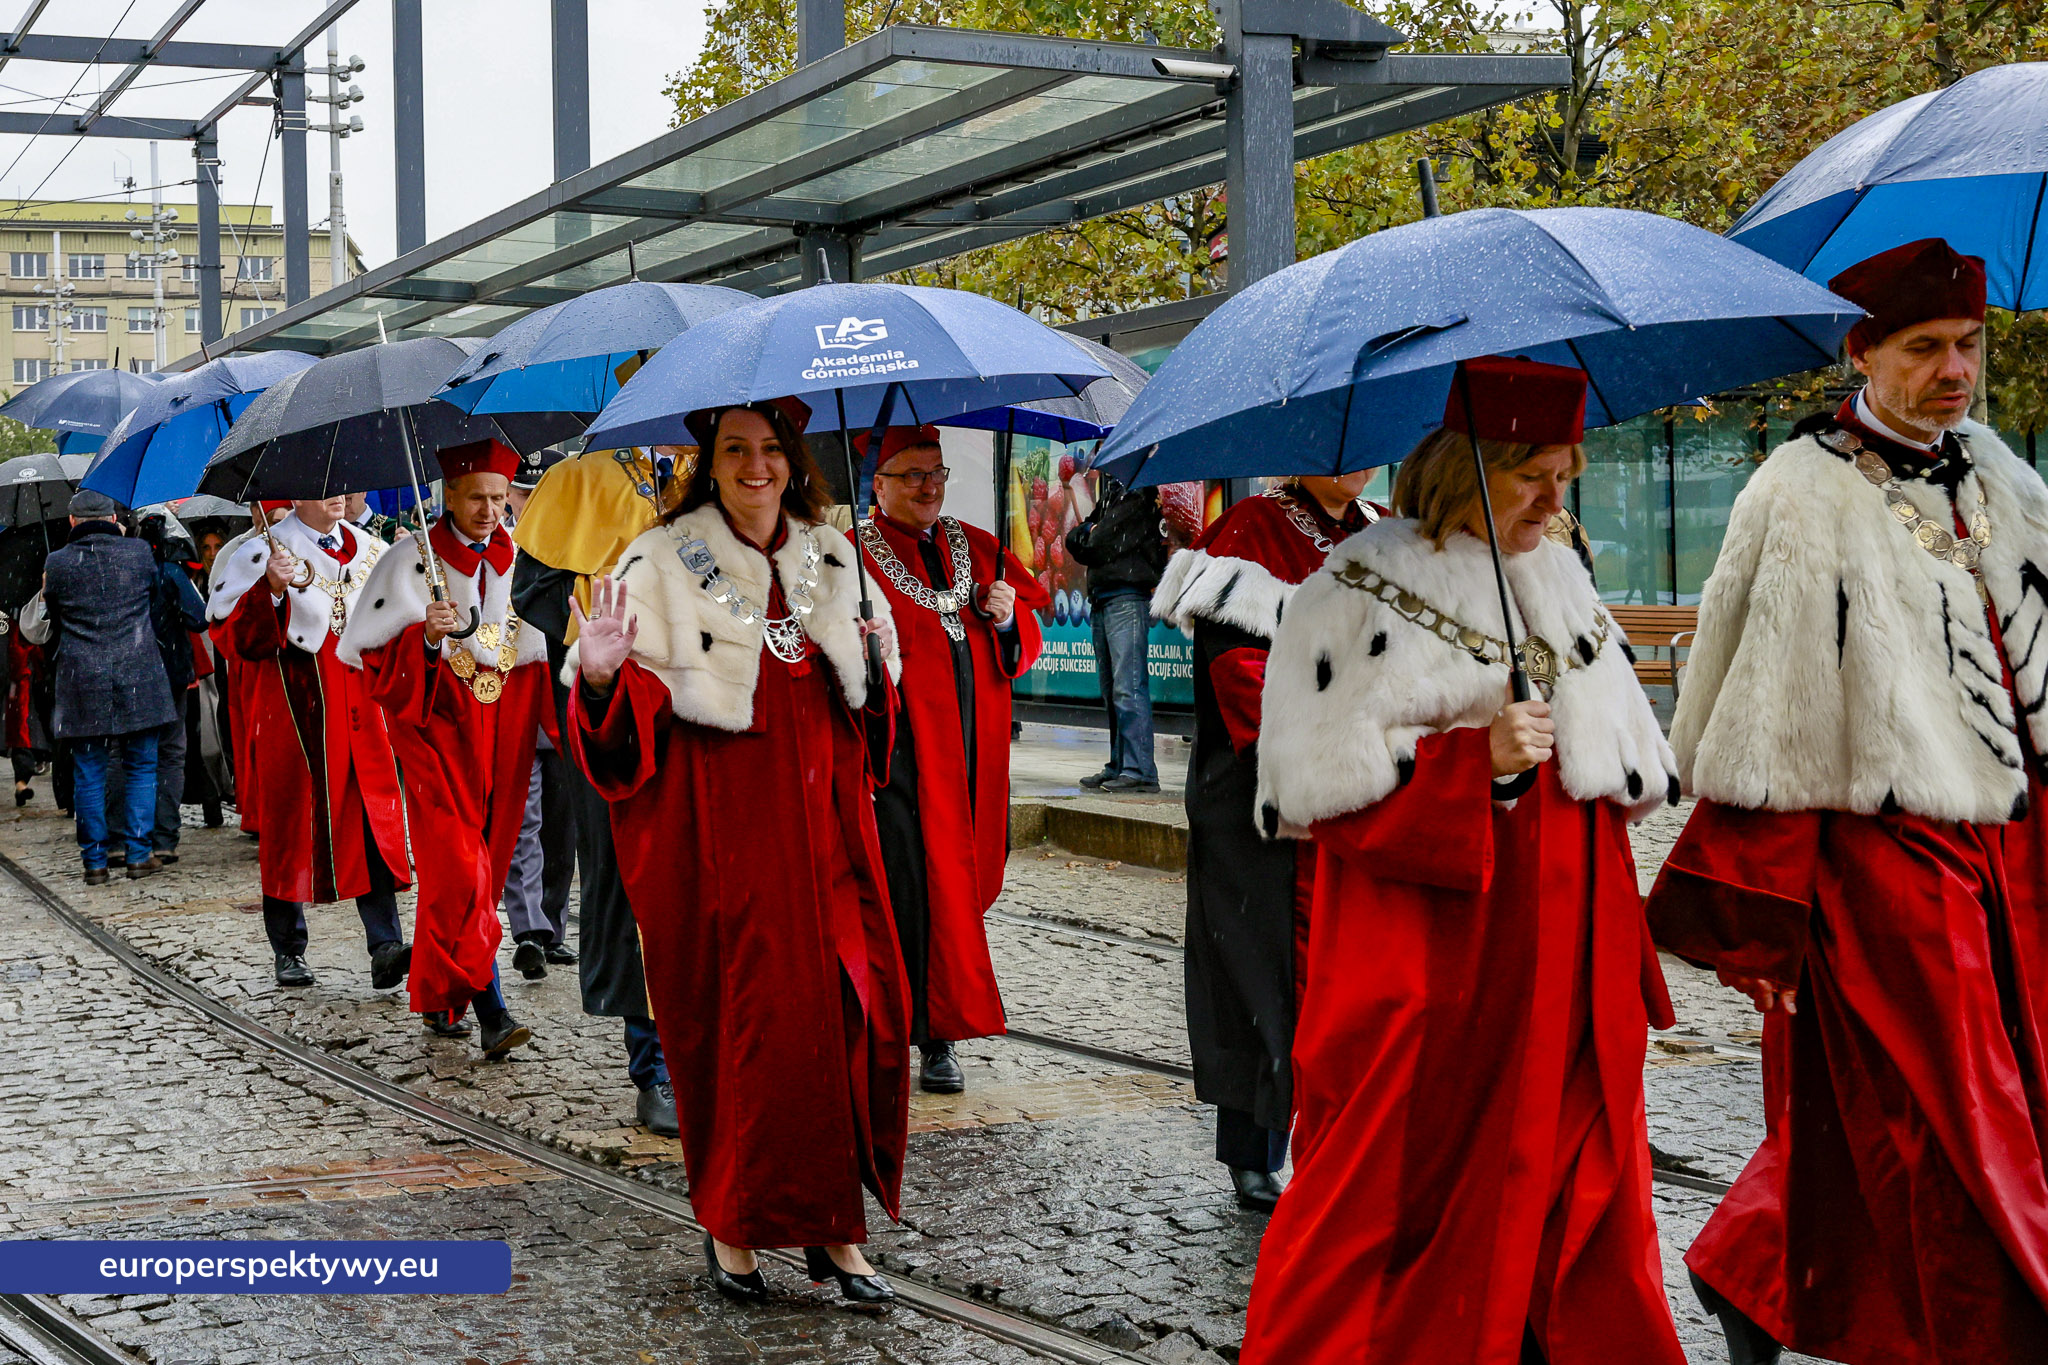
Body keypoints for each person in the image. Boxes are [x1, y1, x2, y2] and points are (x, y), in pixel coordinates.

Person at [1646, 238, 2048, 1365]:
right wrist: (1760, 911)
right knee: (1950, 1115)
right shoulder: (1799, 489)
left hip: (2014, 852)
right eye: (1924, 349)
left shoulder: (1997, 472)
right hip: (1886, 851)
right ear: (1861, 350)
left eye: (1966, 345)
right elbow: (1765, 717)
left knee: (1899, 1103)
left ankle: (1752, 1269)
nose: (1954, 370)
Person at [1240, 357, 1685, 1365]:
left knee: (1574, 1171)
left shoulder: (1558, 574)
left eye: (1565, 477)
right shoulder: (1346, 592)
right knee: (1395, 1179)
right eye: (1533, 475)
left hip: (1565, 938)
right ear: (1466, 468)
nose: (1552, 500)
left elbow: (1613, 754)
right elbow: (1316, 791)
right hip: (1436, 954)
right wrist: (1468, 764)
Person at [566, 397, 908, 1308]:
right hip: (727, 853)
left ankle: (835, 1229)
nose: (755, 466)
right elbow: (620, 735)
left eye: (769, 450)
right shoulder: (656, 564)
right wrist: (601, 675)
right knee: (745, 1033)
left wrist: (876, 669)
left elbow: (867, 733)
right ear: (707, 463)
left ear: (794, 460)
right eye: (734, 450)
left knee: (844, 1017)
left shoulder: (836, 558)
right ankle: (734, 1221)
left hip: (830, 842)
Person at [1150, 473, 1378, 1214]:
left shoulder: (1384, 530)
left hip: (1361, 789)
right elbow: (1237, 669)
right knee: (1259, 972)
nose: (1354, 466)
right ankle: (1252, 1147)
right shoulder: (1249, 527)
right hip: (1261, 793)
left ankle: (1341, 1133)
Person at [858, 423, 1047, 1095]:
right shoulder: (855, 555)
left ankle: (931, 1024)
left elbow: (1028, 634)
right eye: (912, 475)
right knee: (915, 893)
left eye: (936, 473)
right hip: (902, 763)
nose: (929, 486)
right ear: (878, 484)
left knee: (960, 886)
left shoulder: (979, 546)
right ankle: (931, 1033)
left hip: (975, 757)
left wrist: (1005, 617)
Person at [340, 440, 541, 1058]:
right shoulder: (410, 561)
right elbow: (374, 664)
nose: (488, 510)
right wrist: (424, 639)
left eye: (498, 498)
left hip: (498, 736)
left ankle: (434, 992)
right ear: (449, 495)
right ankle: (493, 1012)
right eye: (476, 497)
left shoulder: (517, 559)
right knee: (461, 872)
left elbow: (527, 646)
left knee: (476, 871)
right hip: (433, 738)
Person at [511, 444, 680, 1136]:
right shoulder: (576, 479)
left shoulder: (724, 465)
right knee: (630, 876)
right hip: (615, 697)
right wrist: (595, 631)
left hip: (702, 695)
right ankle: (655, 1063)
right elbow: (533, 591)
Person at [207, 494, 413, 993]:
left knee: (372, 820)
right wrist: (271, 590)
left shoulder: (370, 549)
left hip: (363, 707)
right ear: (297, 495)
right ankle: (288, 948)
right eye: (326, 488)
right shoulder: (261, 553)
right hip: (297, 711)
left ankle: (385, 944)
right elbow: (237, 642)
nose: (340, 496)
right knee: (292, 823)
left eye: (345, 485)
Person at [37, 490, 180, 885]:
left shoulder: (58, 563)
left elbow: (54, 609)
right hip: (138, 673)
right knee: (141, 767)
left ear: (71, 521)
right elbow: (152, 600)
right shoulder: (138, 554)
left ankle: (95, 861)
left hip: (82, 678)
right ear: (113, 518)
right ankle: (138, 853)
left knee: (89, 772)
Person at [1064, 472, 1167, 792]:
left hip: (1126, 597)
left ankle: (1140, 770)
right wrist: (1088, 533)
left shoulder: (1138, 492)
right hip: (1104, 597)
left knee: (1127, 686)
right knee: (1113, 689)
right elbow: (1074, 539)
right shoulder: (1113, 493)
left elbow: (1095, 543)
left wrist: (1090, 534)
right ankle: (1119, 764)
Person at [136, 512, 208, 864]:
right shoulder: (171, 573)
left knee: (135, 756)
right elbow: (200, 617)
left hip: (135, 675)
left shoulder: (130, 572)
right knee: (170, 756)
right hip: (172, 674)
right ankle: (164, 836)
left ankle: (132, 836)